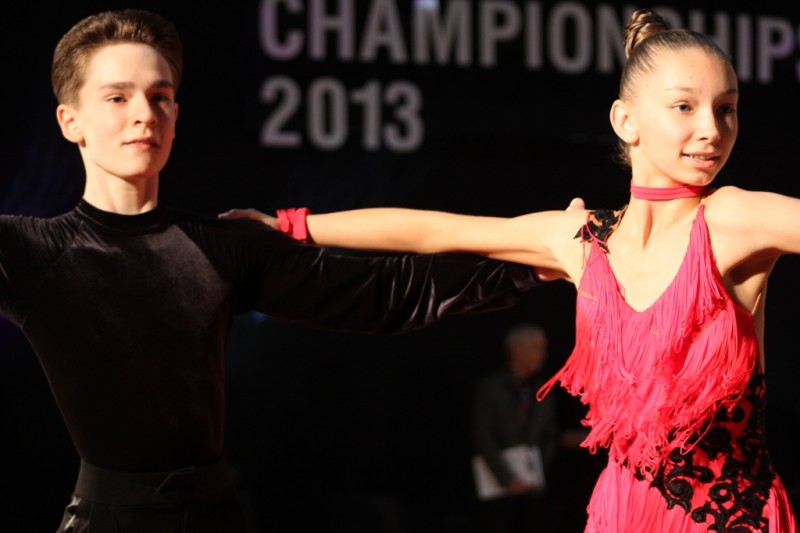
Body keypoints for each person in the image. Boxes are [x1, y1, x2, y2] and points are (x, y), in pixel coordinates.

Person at [0, 9, 584, 532]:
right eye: (117, 97)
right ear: (70, 121)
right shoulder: (32, 252)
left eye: (160, 96)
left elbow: (382, 293)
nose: (144, 115)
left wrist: (533, 266)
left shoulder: (222, 245)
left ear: (177, 114)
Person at [224, 8, 800, 532]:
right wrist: (291, 225)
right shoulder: (583, 240)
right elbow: (434, 231)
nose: (713, 128)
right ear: (625, 120)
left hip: (730, 518)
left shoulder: (733, 219)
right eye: (685, 106)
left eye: (727, 108)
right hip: (622, 512)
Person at [471, 323, 558, 533]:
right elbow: (483, 437)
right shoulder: (490, 389)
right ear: (517, 350)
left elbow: (550, 436)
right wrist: (507, 479)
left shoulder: (543, 390)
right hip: (498, 491)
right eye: (537, 348)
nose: (542, 355)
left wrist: (535, 472)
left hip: (533, 491)